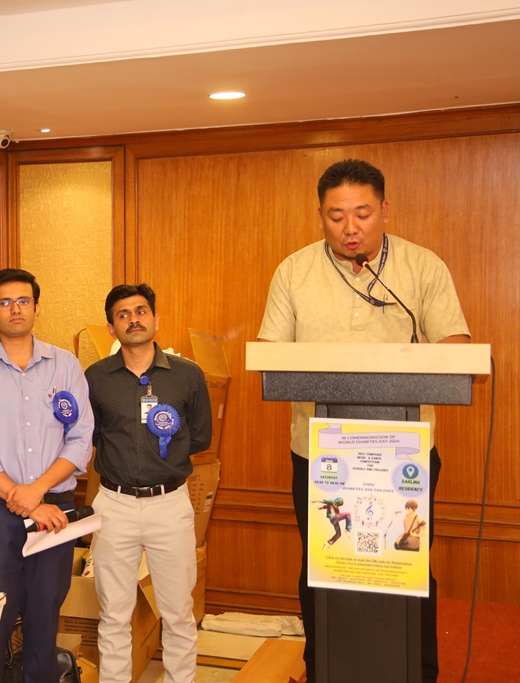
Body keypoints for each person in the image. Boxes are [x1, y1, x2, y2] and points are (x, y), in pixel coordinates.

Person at [257, 158, 470, 683]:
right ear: (321, 216)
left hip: (405, 458)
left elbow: (455, 345)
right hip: (319, 457)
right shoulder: (294, 271)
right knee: (323, 565)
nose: (349, 228)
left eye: (362, 214)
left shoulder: (422, 266)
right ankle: (322, 670)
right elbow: (269, 354)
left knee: (405, 564)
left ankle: (417, 673)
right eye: (336, 217)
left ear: (385, 210)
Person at [0, 268, 93, 683]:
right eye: (4, 302)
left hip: (55, 512)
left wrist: (38, 492)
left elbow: (81, 439)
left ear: (36, 307)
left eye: (23, 301)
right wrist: (23, 498)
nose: (15, 309)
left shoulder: (65, 365)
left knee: (44, 618)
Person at [85, 283, 212, 683]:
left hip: (169, 504)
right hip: (114, 505)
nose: (134, 320)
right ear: (111, 328)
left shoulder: (187, 375)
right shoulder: (95, 378)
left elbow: (200, 437)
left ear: (156, 319)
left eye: (141, 311)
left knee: (178, 613)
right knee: (113, 614)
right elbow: (92, 435)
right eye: (123, 314)